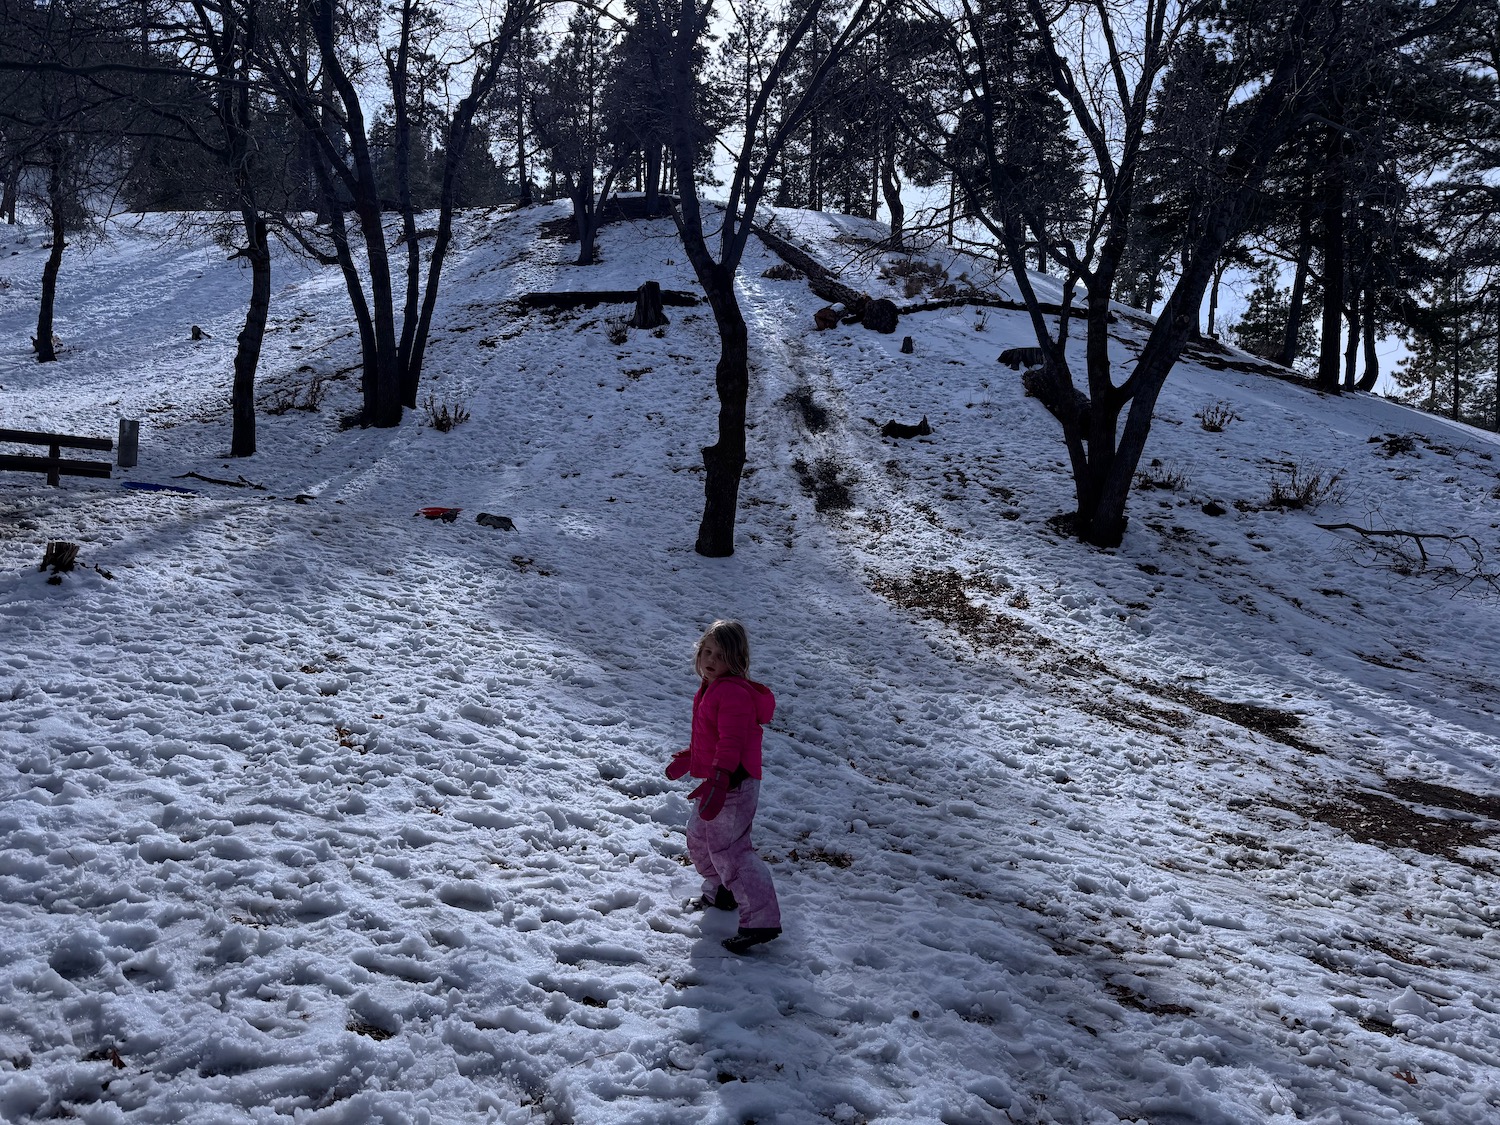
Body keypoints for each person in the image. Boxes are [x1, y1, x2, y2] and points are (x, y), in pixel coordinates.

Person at [666, 620, 782, 954]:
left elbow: (733, 740)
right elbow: (715, 736)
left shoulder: (731, 692)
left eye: (721, 654)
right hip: (720, 779)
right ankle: (722, 891)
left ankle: (761, 919)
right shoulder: (711, 687)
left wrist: (719, 777)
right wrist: (693, 757)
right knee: (699, 837)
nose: (711, 659)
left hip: (734, 781)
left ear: (737, 660)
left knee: (731, 850)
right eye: (707, 651)